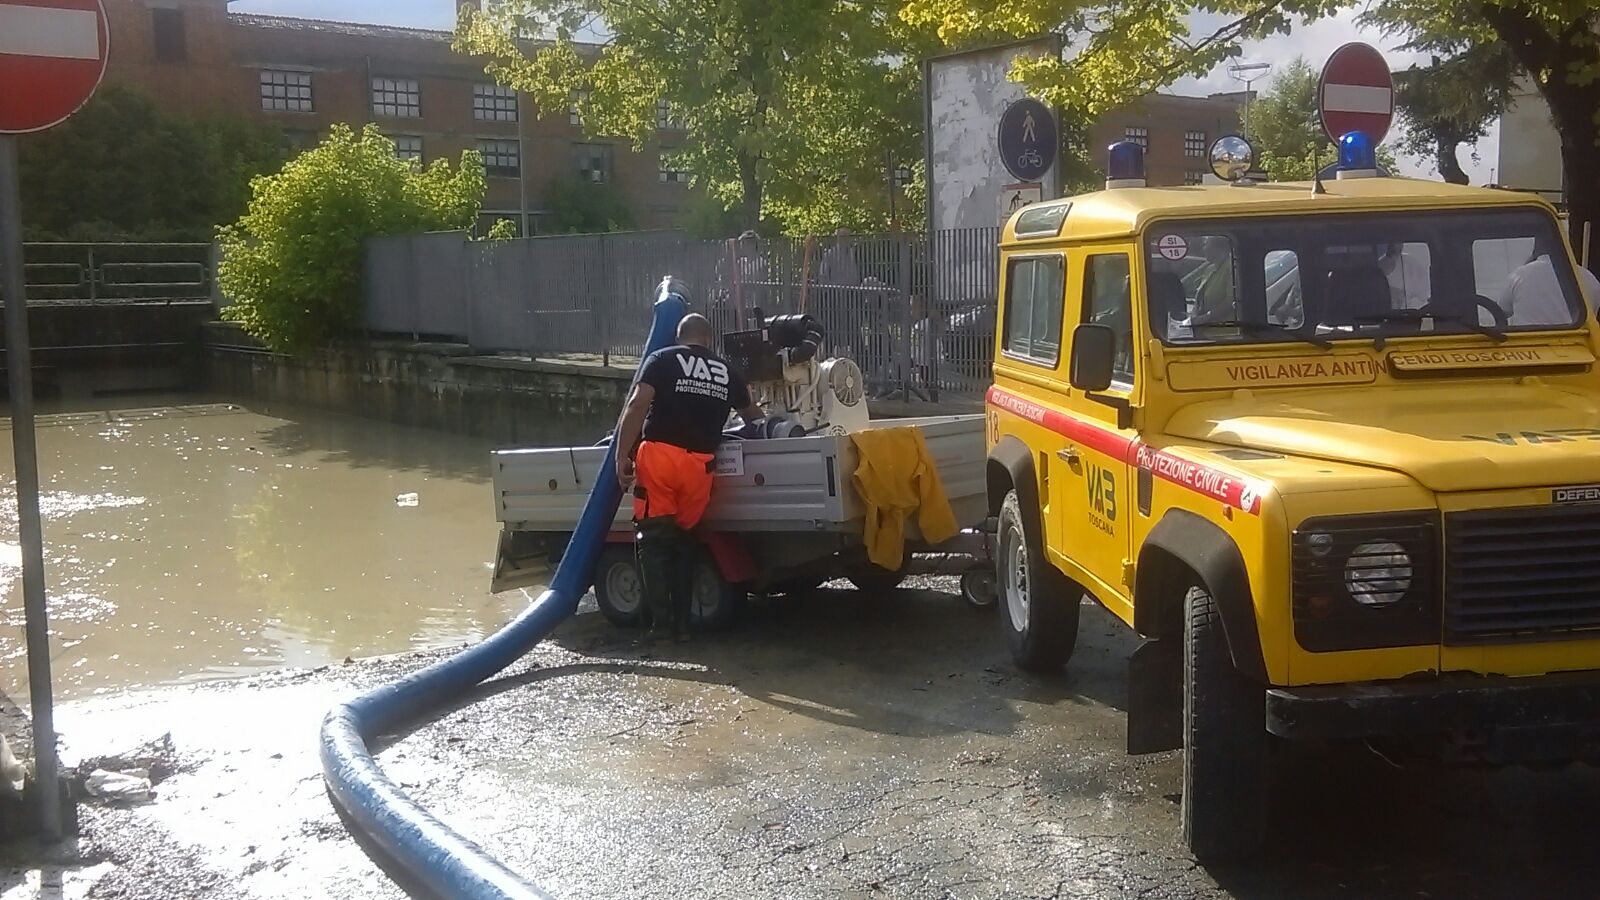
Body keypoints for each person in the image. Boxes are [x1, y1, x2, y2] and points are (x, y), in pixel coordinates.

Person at [614, 313, 765, 642]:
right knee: (684, 543)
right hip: (700, 467)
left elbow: (638, 405)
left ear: (680, 337)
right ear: (708, 339)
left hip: (661, 459)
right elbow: (754, 417)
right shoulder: (727, 372)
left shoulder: (662, 359)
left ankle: (661, 627)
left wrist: (621, 454)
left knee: (653, 543)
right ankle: (683, 628)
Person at [1503, 252, 1600, 325]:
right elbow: (1592, 313)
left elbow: (1504, 311)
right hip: (1575, 343)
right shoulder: (1586, 275)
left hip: (1529, 345)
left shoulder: (1520, 275)